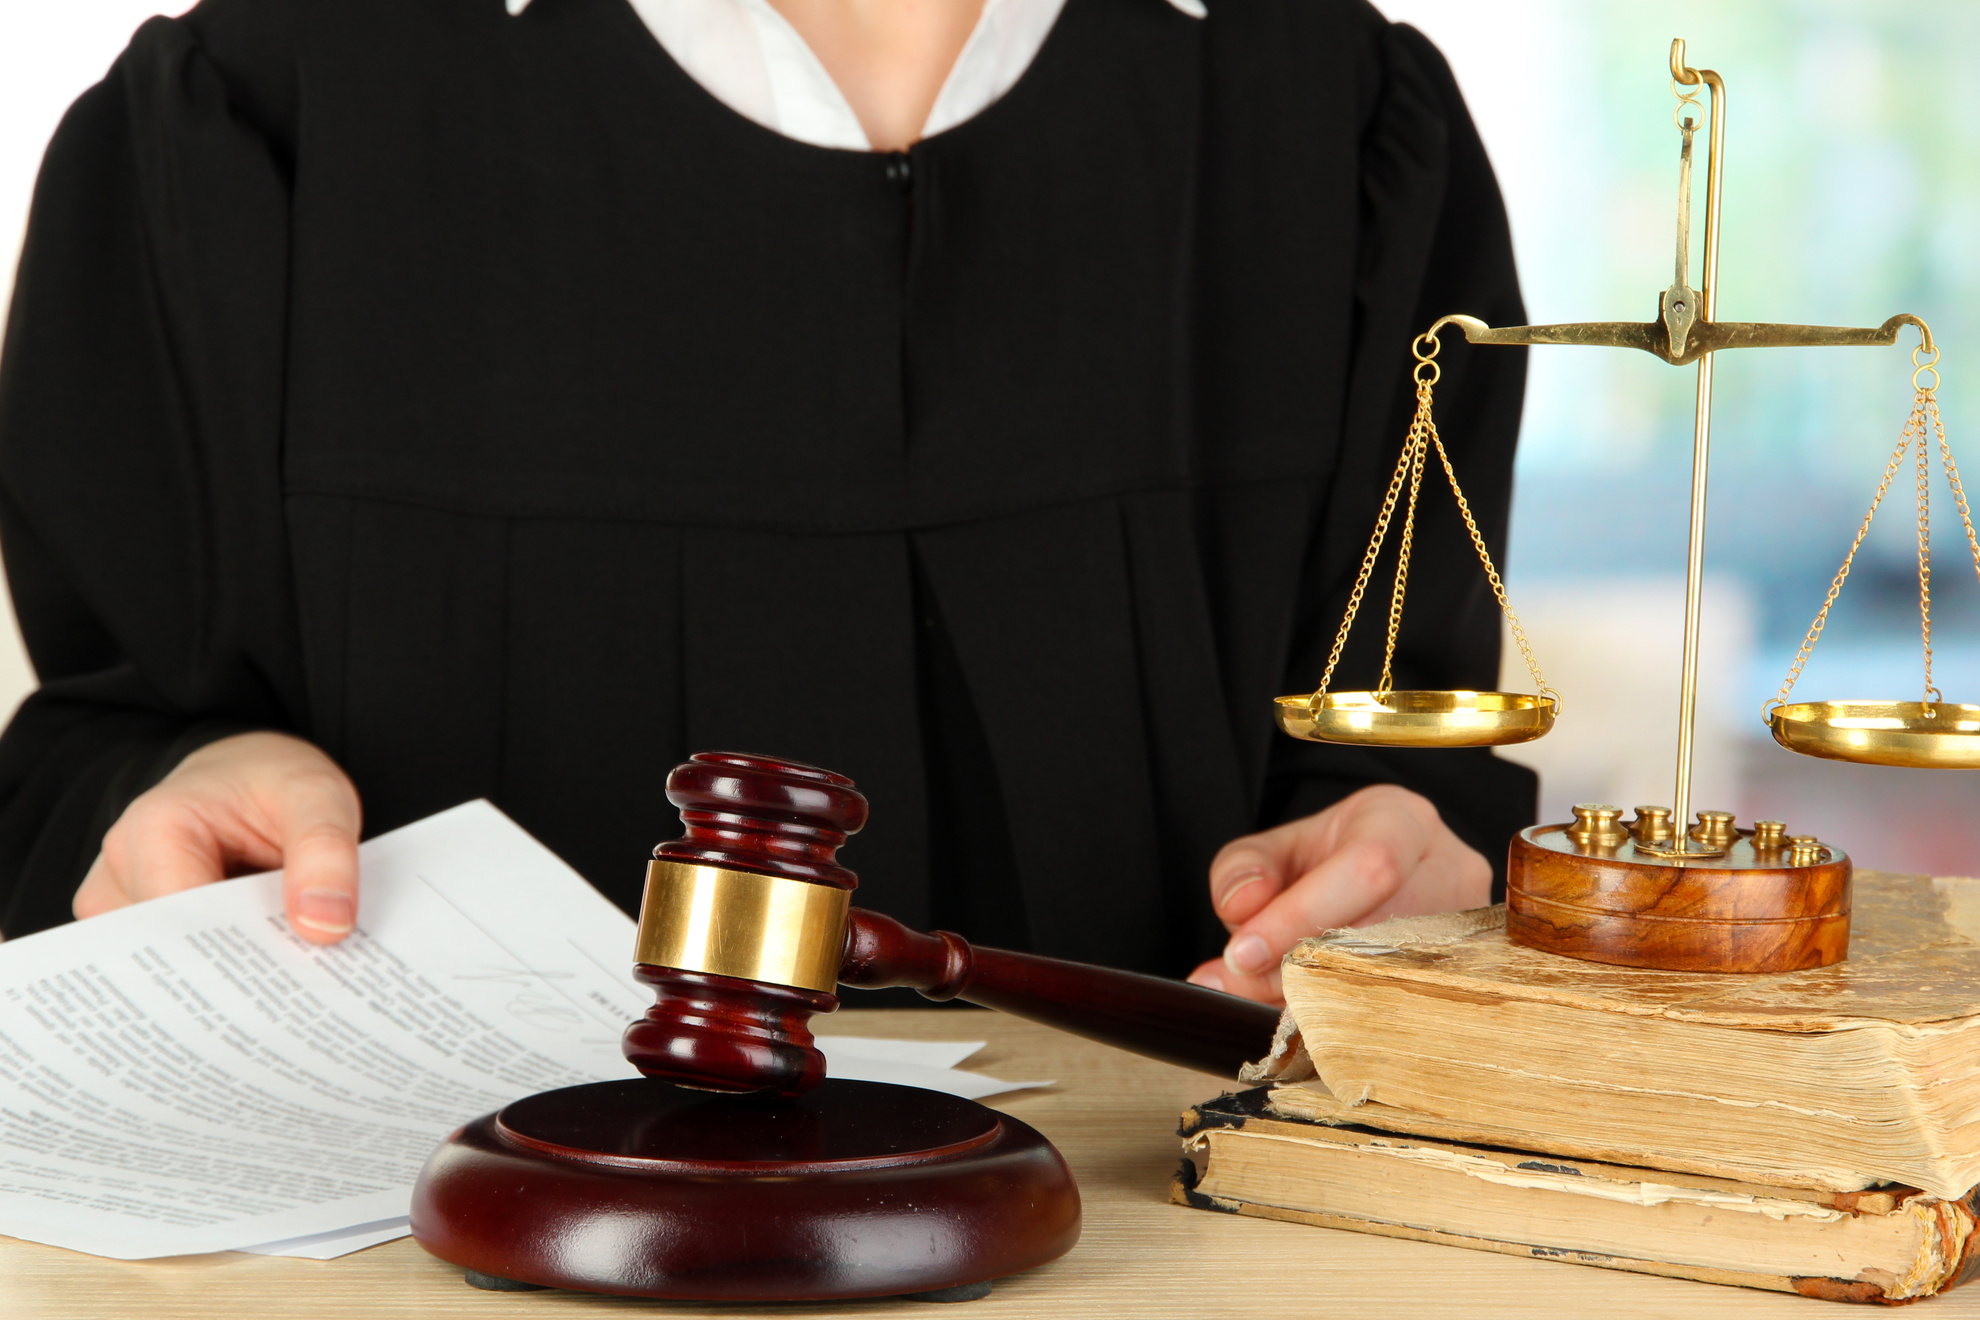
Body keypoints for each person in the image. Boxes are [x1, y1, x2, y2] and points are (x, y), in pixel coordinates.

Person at [0, 0, 1533, 1005]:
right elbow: (105, 745)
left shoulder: (1340, 136)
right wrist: (199, 784)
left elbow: (1407, 790)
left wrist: (1412, 867)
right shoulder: (244, 131)